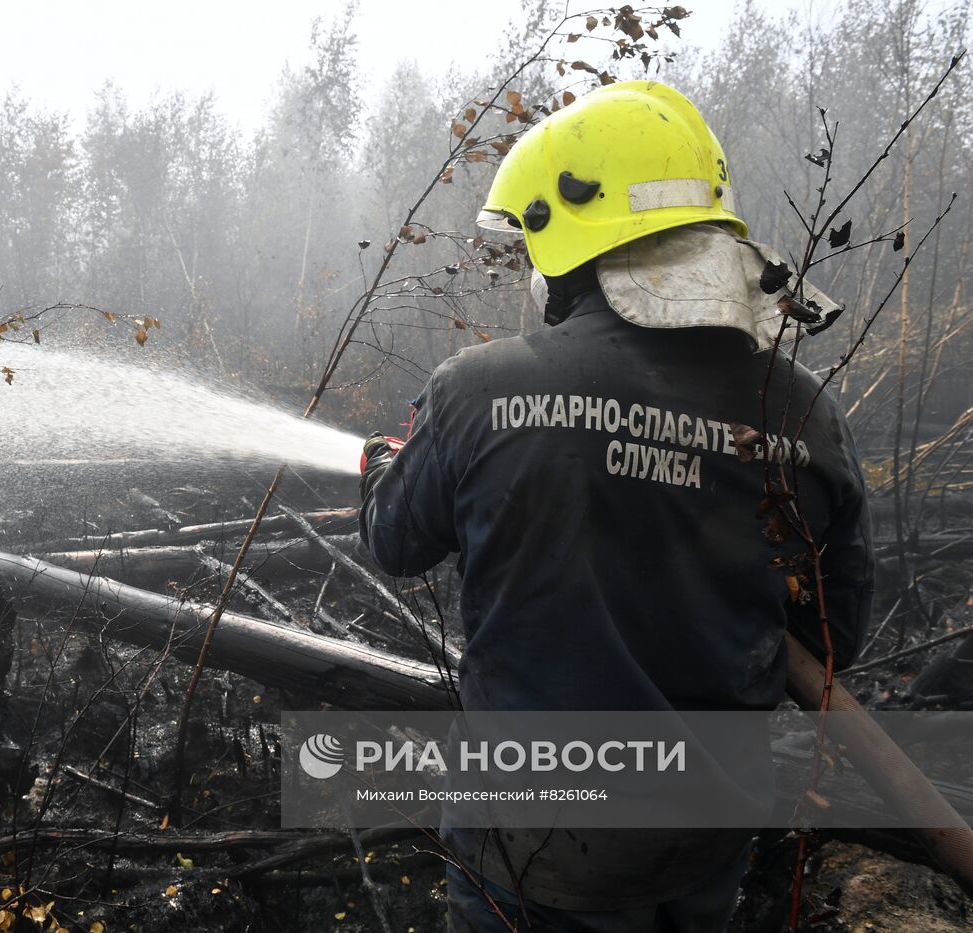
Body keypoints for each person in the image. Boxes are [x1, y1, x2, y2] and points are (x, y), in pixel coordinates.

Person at [357, 81, 874, 932]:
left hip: (528, 855)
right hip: (701, 850)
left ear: (567, 235)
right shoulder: (806, 414)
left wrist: (382, 463)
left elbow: (395, 539)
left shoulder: (482, 387)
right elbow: (831, 637)